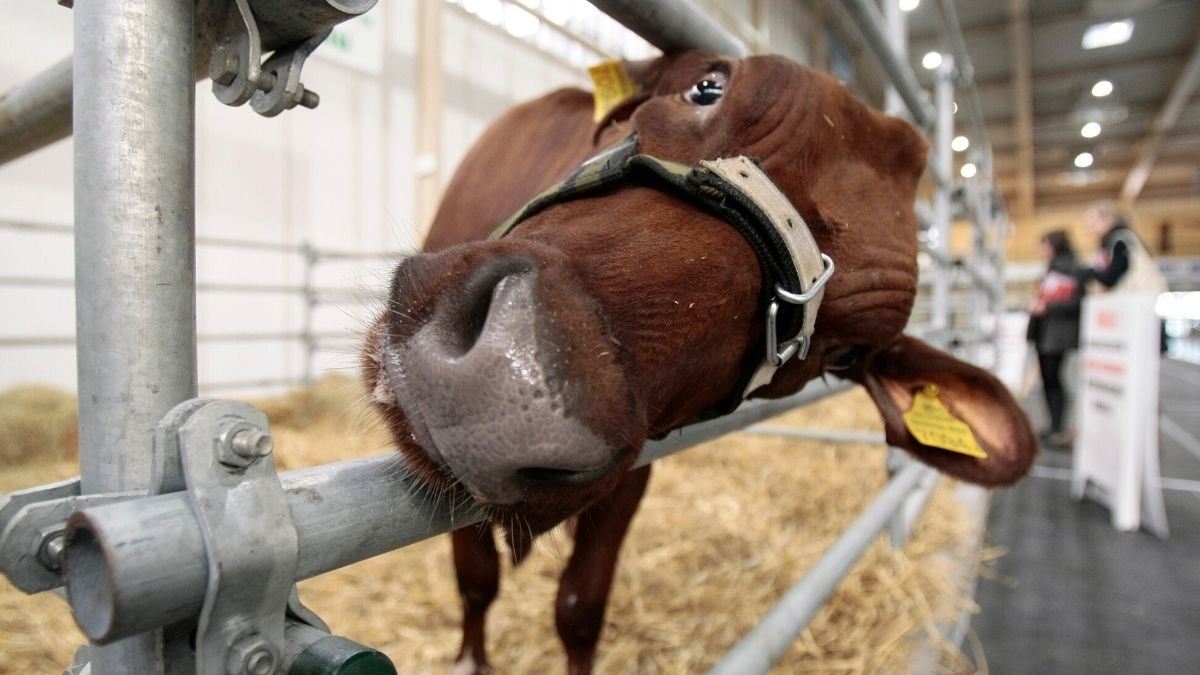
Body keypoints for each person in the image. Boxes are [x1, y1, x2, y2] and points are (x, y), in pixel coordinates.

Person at [1026, 229, 1083, 447]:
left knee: (1055, 379)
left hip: (1057, 335)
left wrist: (1046, 307)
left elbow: (1075, 302)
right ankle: (1054, 426)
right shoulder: (1055, 268)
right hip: (1046, 333)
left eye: (1044, 245)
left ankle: (1059, 427)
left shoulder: (1070, 268)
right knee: (1049, 380)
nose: (1041, 250)